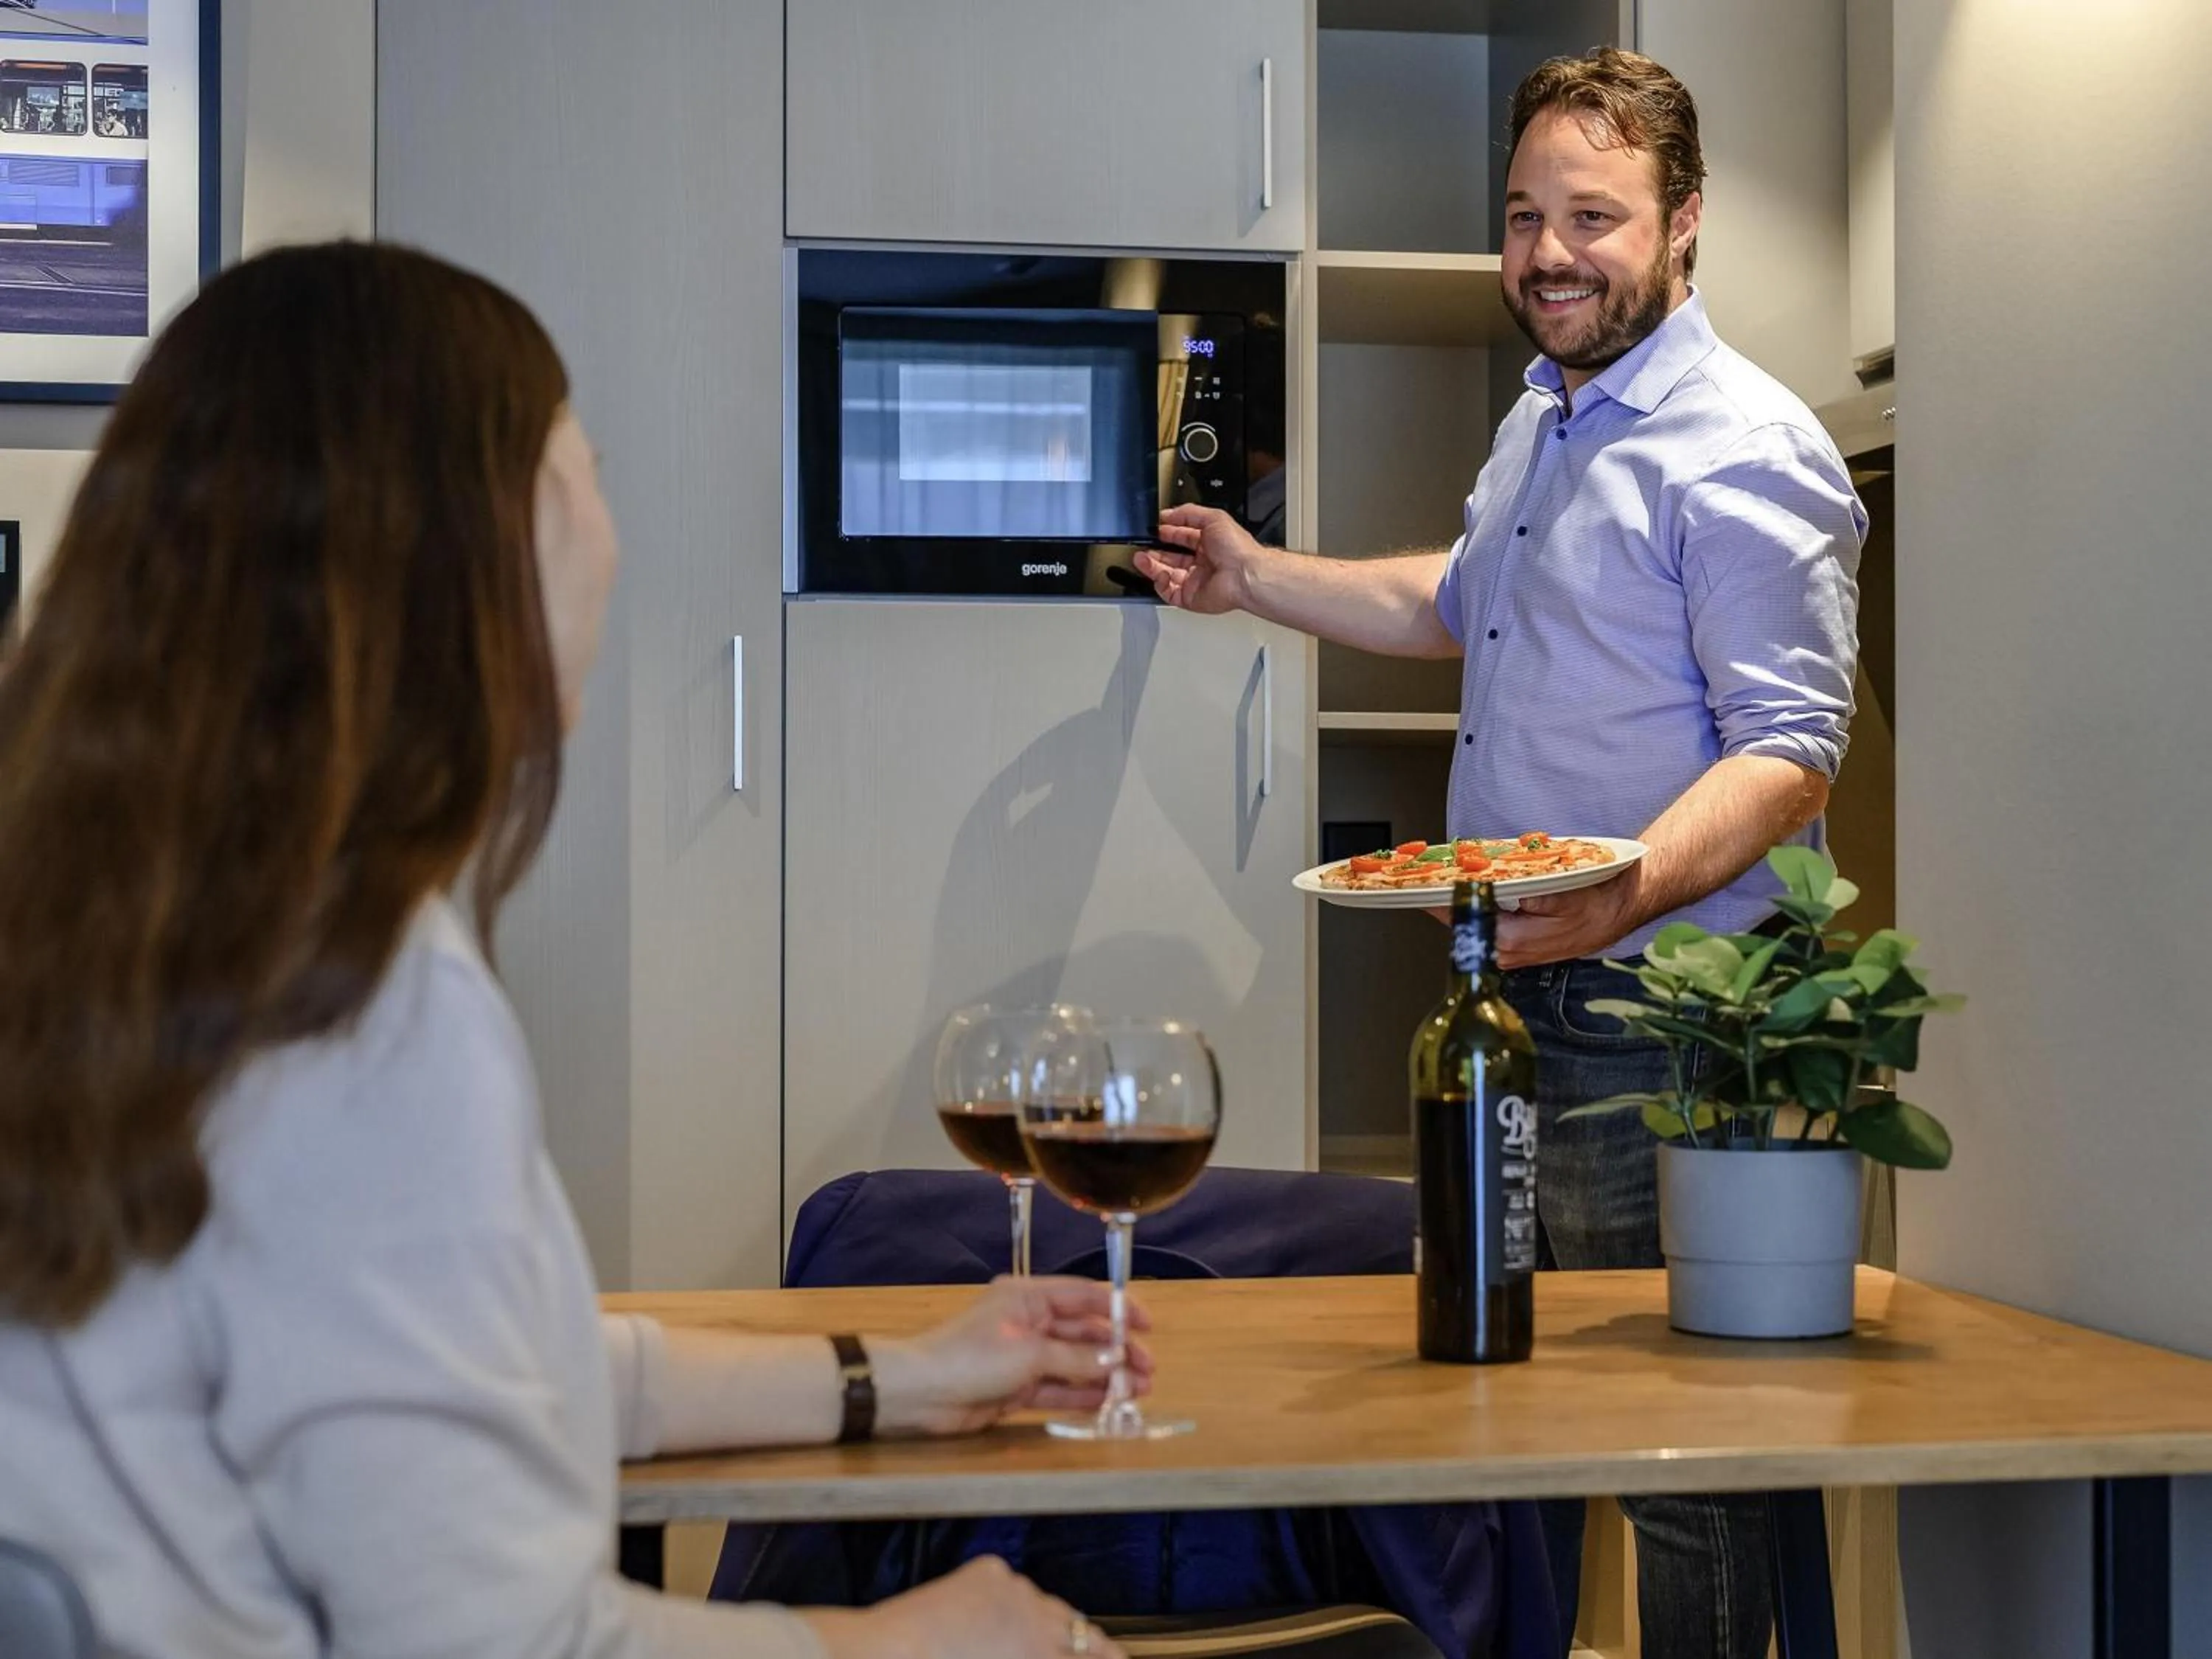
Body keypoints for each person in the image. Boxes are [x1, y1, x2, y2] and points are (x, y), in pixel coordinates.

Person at [0, 240, 1148, 1659]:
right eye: (585, 465)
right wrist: (925, 1638)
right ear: (471, 544)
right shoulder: (362, 1008)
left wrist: (895, 1377)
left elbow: (494, 1364)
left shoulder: (135, 927)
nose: (610, 522)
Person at [1133, 47, 1863, 1659]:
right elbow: (1455, 606)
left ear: (1685, 224)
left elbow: (1794, 750)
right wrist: (1258, 580)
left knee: (1683, 1452)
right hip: (1518, 996)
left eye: (1591, 215)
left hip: (1661, 1007)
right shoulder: (1548, 417)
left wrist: (1619, 894)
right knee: (1513, 1417)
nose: (1546, 252)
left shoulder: (1744, 444)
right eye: (1524, 213)